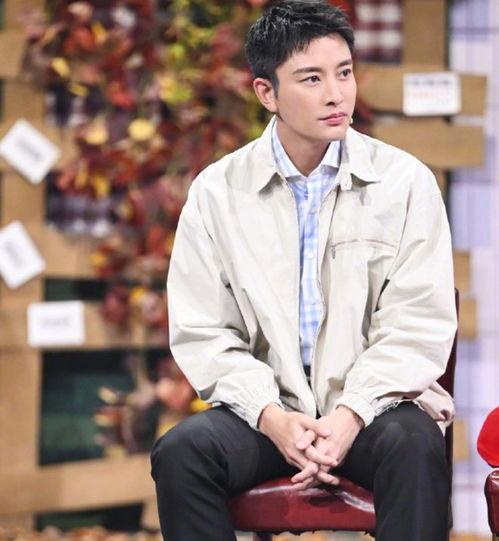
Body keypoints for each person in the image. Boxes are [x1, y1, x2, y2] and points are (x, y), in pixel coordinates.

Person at [150, 1, 458, 540]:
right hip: (267, 417)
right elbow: (204, 332)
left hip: (374, 413)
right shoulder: (217, 193)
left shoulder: (405, 183)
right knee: (182, 452)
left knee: (414, 445)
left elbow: (417, 324)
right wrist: (272, 416)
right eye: (312, 78)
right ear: (266, 93)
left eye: (344, 73)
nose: (336, 94)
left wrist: (350, 414)